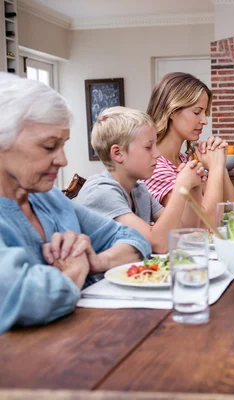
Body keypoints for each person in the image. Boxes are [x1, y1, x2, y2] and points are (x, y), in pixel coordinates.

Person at [0, 73, 151, 333]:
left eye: (63, 145)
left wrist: (97, 261)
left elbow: (134, 238)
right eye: (49, 146)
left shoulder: (49, 198)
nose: (63, 160)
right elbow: (22, 297)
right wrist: (75, 270)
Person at [76, 107, 205, 254]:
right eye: (148, 147)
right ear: (118, 154)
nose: (157, 153)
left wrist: (195, 187)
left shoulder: (139, 190)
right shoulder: (101, 192)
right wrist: (182, 186)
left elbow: (183, 233)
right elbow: (159, 244)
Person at [145, 72, 234, 227]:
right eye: (197, 112)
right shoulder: (154, 167)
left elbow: (232, 211)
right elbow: (204, 225)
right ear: (172, 111)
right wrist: (214, 168)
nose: (204, 121)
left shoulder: (184, 160)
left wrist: (220, 165)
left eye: (205, 113)